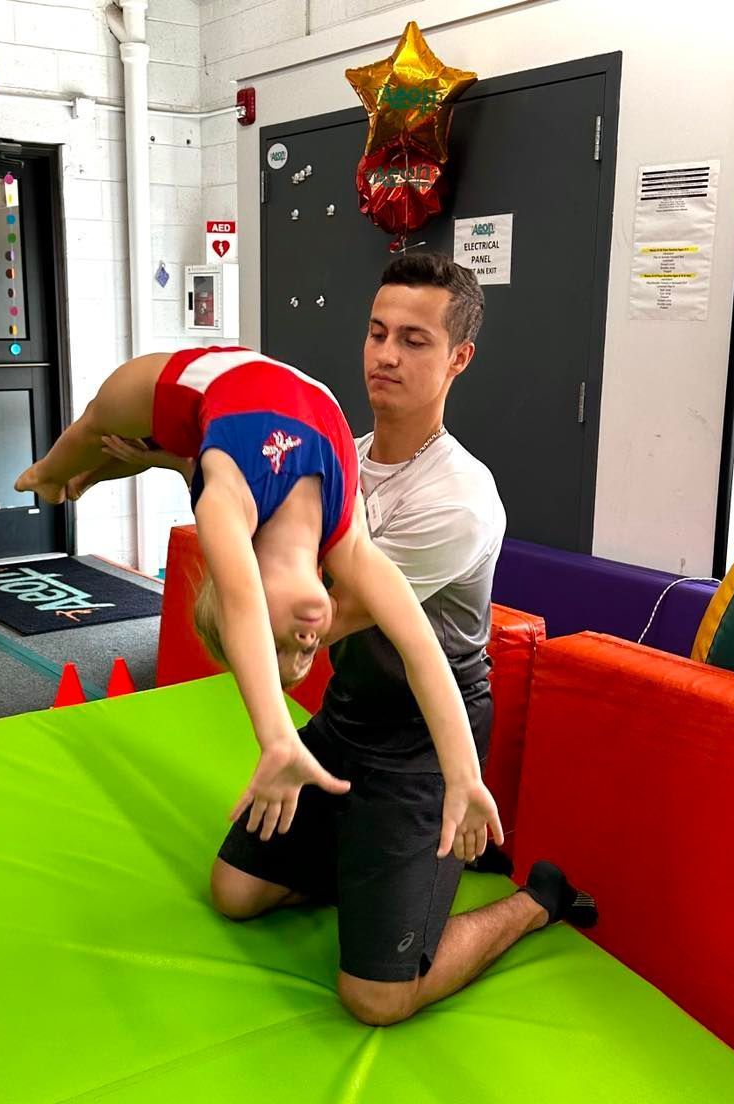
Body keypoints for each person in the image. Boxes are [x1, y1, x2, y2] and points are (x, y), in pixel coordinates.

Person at [206, 253, 595, 1027]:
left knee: (378, 997)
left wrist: (246, 580)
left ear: (459, 358)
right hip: (351, 714)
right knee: (235, 892)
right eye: (378, 333)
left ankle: (535, 902)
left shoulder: (458, 498)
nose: (385, 355)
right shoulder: (339, 456)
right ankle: (368, 862)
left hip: (424, 741)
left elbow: (320, 623)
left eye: (414, 340)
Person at [15, 346, 503, 863]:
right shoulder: (347, 538)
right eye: (309, 651)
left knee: (96, 425)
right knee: (152, 452)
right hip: (252, 410)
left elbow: (243, 601)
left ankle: (52, 475)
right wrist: (464, 774)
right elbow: (422, 650)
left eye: (284, 645)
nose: (309, 639)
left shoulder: (227, 505)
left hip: (194, 382)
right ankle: (86, 477)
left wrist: (276, 738)